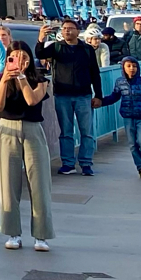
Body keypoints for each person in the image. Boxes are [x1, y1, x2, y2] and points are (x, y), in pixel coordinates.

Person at [0, 43, 53, 251]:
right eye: (13, 56)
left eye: (22, 56)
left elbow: (31, 100)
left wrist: (21, 77)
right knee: (8, 184)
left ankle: (41, 235)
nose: (18, 60)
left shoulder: (40, 79)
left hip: (33, 129)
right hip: (6, 129)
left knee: (39, 183)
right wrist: (6, 79)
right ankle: (13, 233)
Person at [41, 17, 100, 177]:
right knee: (66, 132)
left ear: (78, 31)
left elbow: (95, 73)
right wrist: (41, 39)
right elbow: (40, 53)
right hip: (63, 95)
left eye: (70, 28)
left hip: (84, 96)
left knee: (86, 131)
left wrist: (98, 96)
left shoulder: (87, 50)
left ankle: (86, 163)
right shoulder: (56, 48)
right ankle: (68, 163)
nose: (67, 30)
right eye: (64, 28)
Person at [95, 55, 141, 178]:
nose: (132, 69)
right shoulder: (120, 82)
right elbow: (115, 96)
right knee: (132, 144)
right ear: (123, 68)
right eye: (128, 66)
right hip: (128, 117)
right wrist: (101, 102)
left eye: (134, 66)